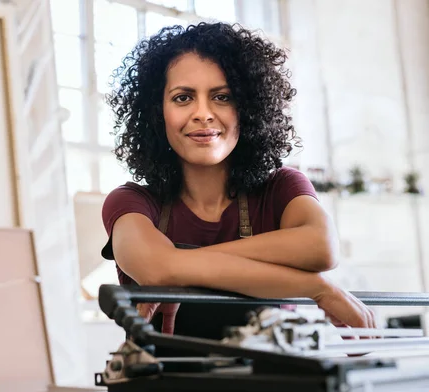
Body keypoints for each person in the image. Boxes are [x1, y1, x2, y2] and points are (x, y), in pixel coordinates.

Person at [99, 22, 376, 355]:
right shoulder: (132, 202)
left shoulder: (281, 188)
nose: (203, 114)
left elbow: (322, 246)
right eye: (183, 97)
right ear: (157, 113)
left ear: (248, 108)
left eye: (222, 97)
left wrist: (180, 262)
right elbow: (158, 269)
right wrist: (314, 287)